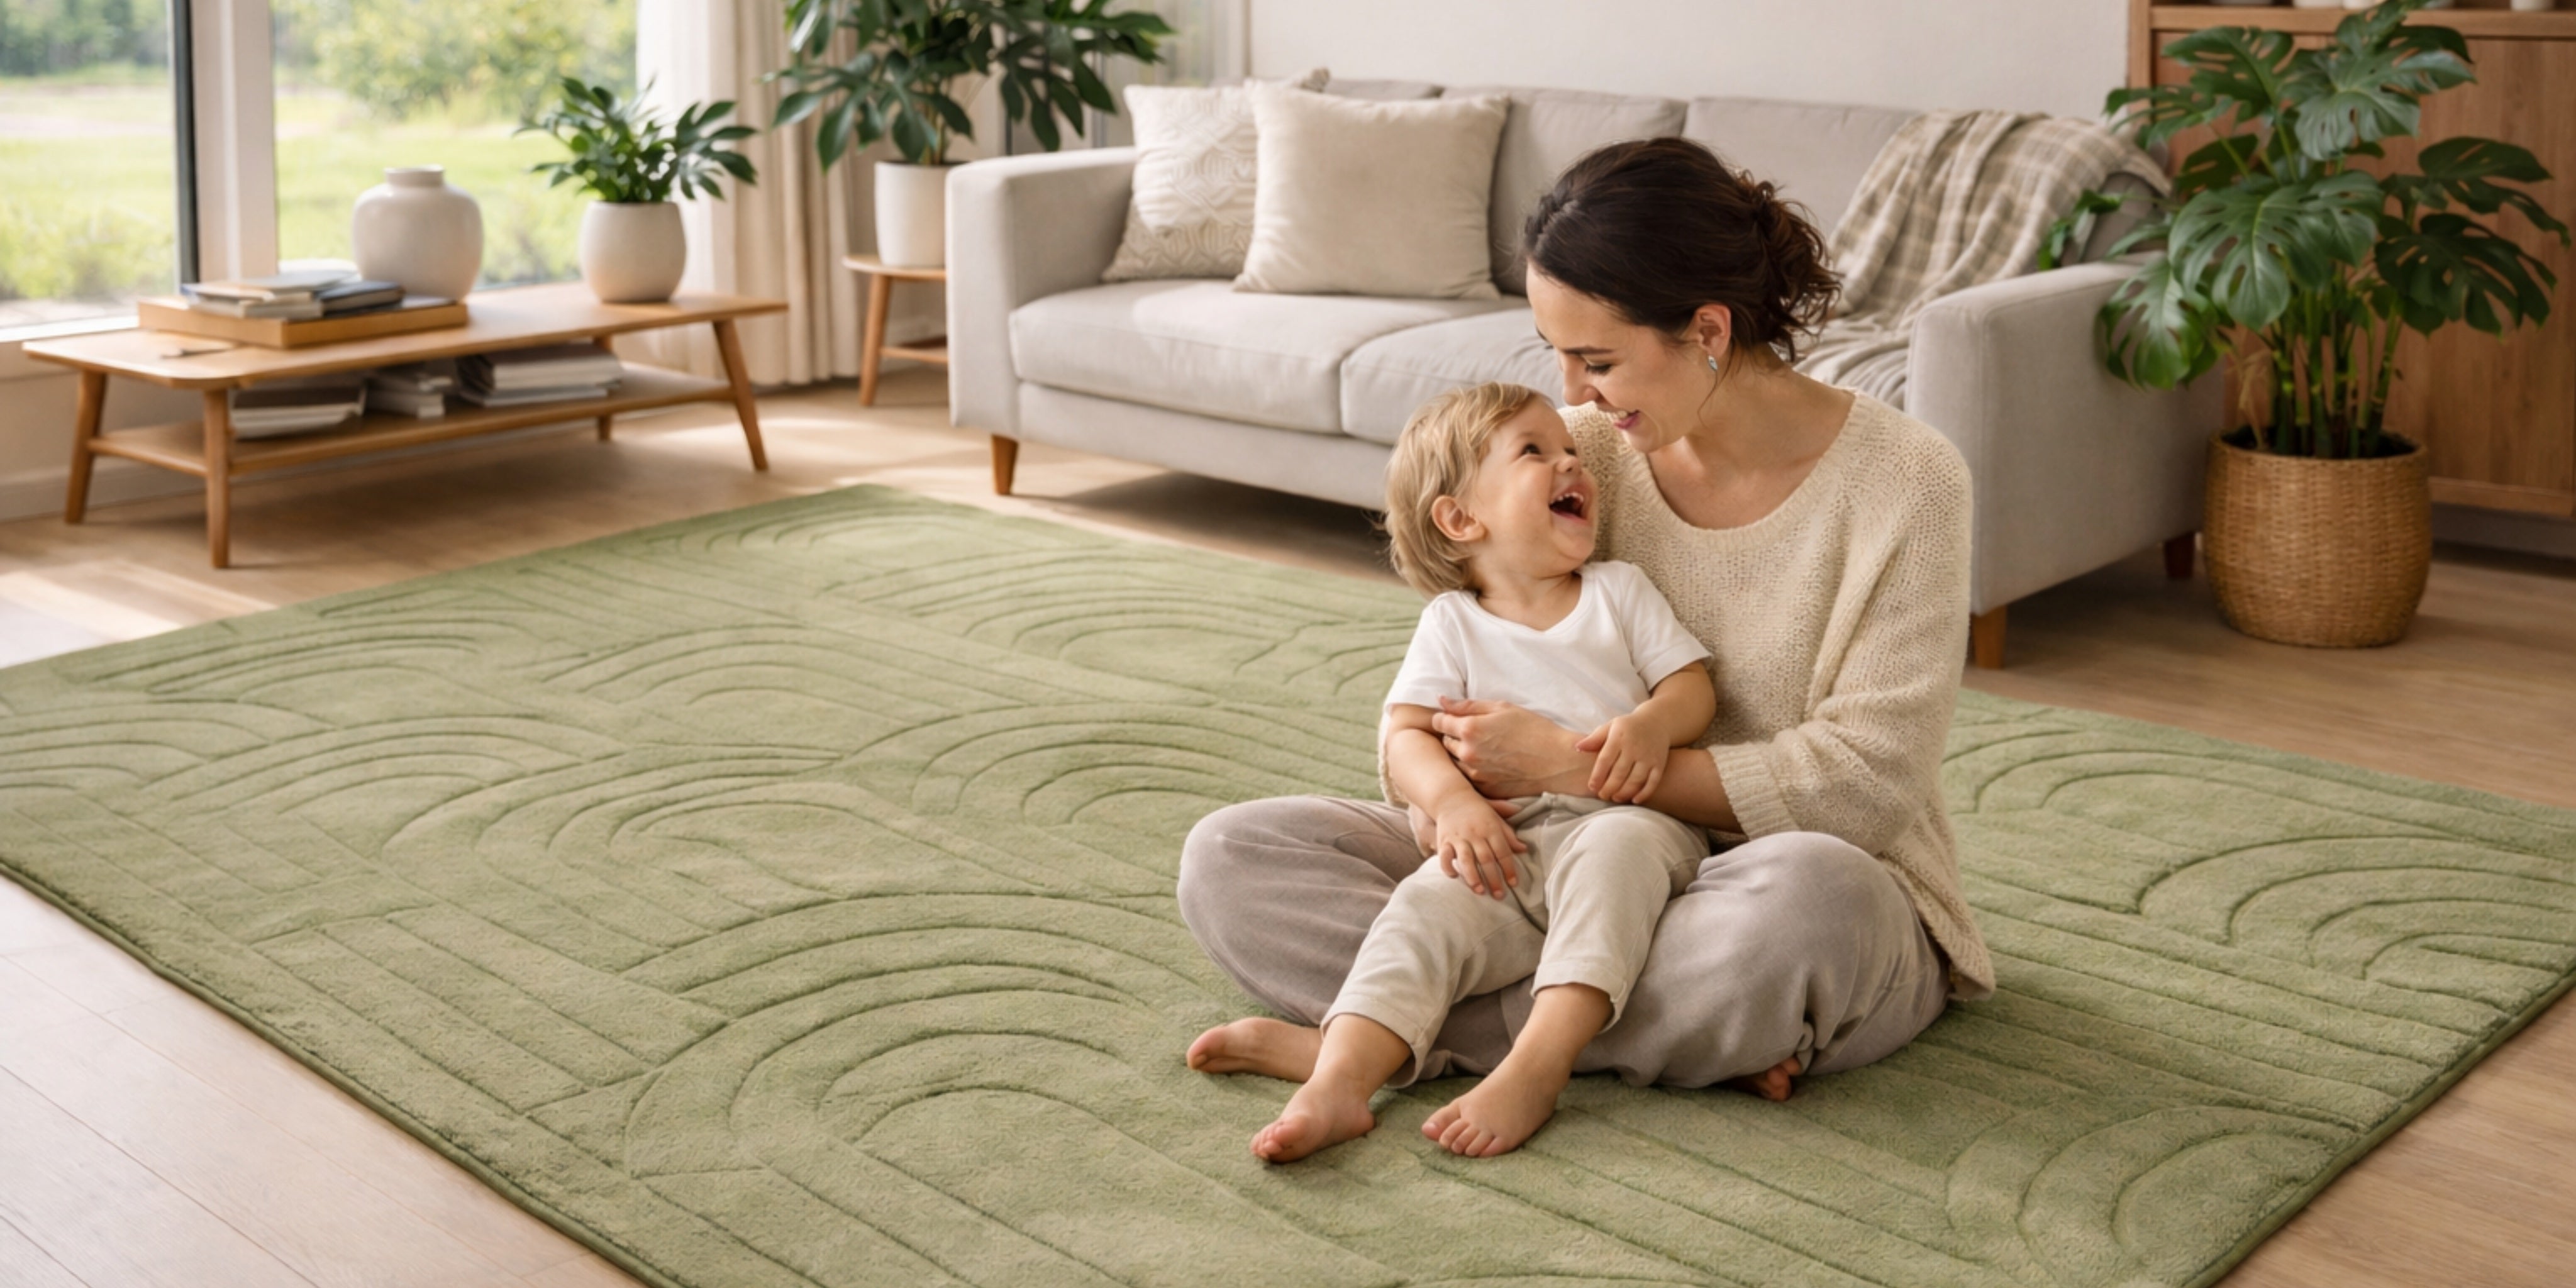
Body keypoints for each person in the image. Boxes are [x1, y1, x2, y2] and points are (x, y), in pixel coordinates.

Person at [1180, 136, 1992, 1113]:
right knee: (1233, 859)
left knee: (1813, 906)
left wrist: (1569, 762)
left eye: (1596, 359)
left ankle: (1385, 1036)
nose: (1571, 394)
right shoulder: (1582, 458)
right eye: (1556, 356)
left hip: (1765, 887)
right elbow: (1444, 699)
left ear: (1706, 331)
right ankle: (1636, 1040)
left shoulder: (1909, 481)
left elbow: (1864, 792)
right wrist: (1458, 791)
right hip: (1549, 862)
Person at [1246, 382, 1717, 1163]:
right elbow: (1406, 737)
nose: (1571, 459)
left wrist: (1649, 725)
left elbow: (1691, 688)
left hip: (1629, 822)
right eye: (1535, 451)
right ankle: (1338, 1080)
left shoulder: (1618, 590)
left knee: (1614, 857)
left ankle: (1537, 1063)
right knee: (1419, 912)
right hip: (1503, 840)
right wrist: (1452, 804)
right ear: (1463, 518)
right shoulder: (1451, 623)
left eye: (1569, 450)